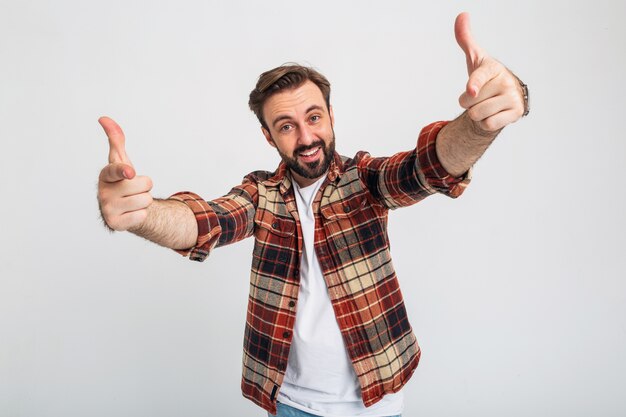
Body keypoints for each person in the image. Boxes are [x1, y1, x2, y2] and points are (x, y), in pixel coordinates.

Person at [97, 12, 528, 417]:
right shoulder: (261, 194)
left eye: (314, 117)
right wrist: (142, 214)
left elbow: (427, 167)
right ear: (268, 137)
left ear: (331, 115)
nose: (306, 137)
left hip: (376, 401)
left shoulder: (366, 179)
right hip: (289, 403)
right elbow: (206, 220)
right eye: (286, 126)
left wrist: (479, 125)